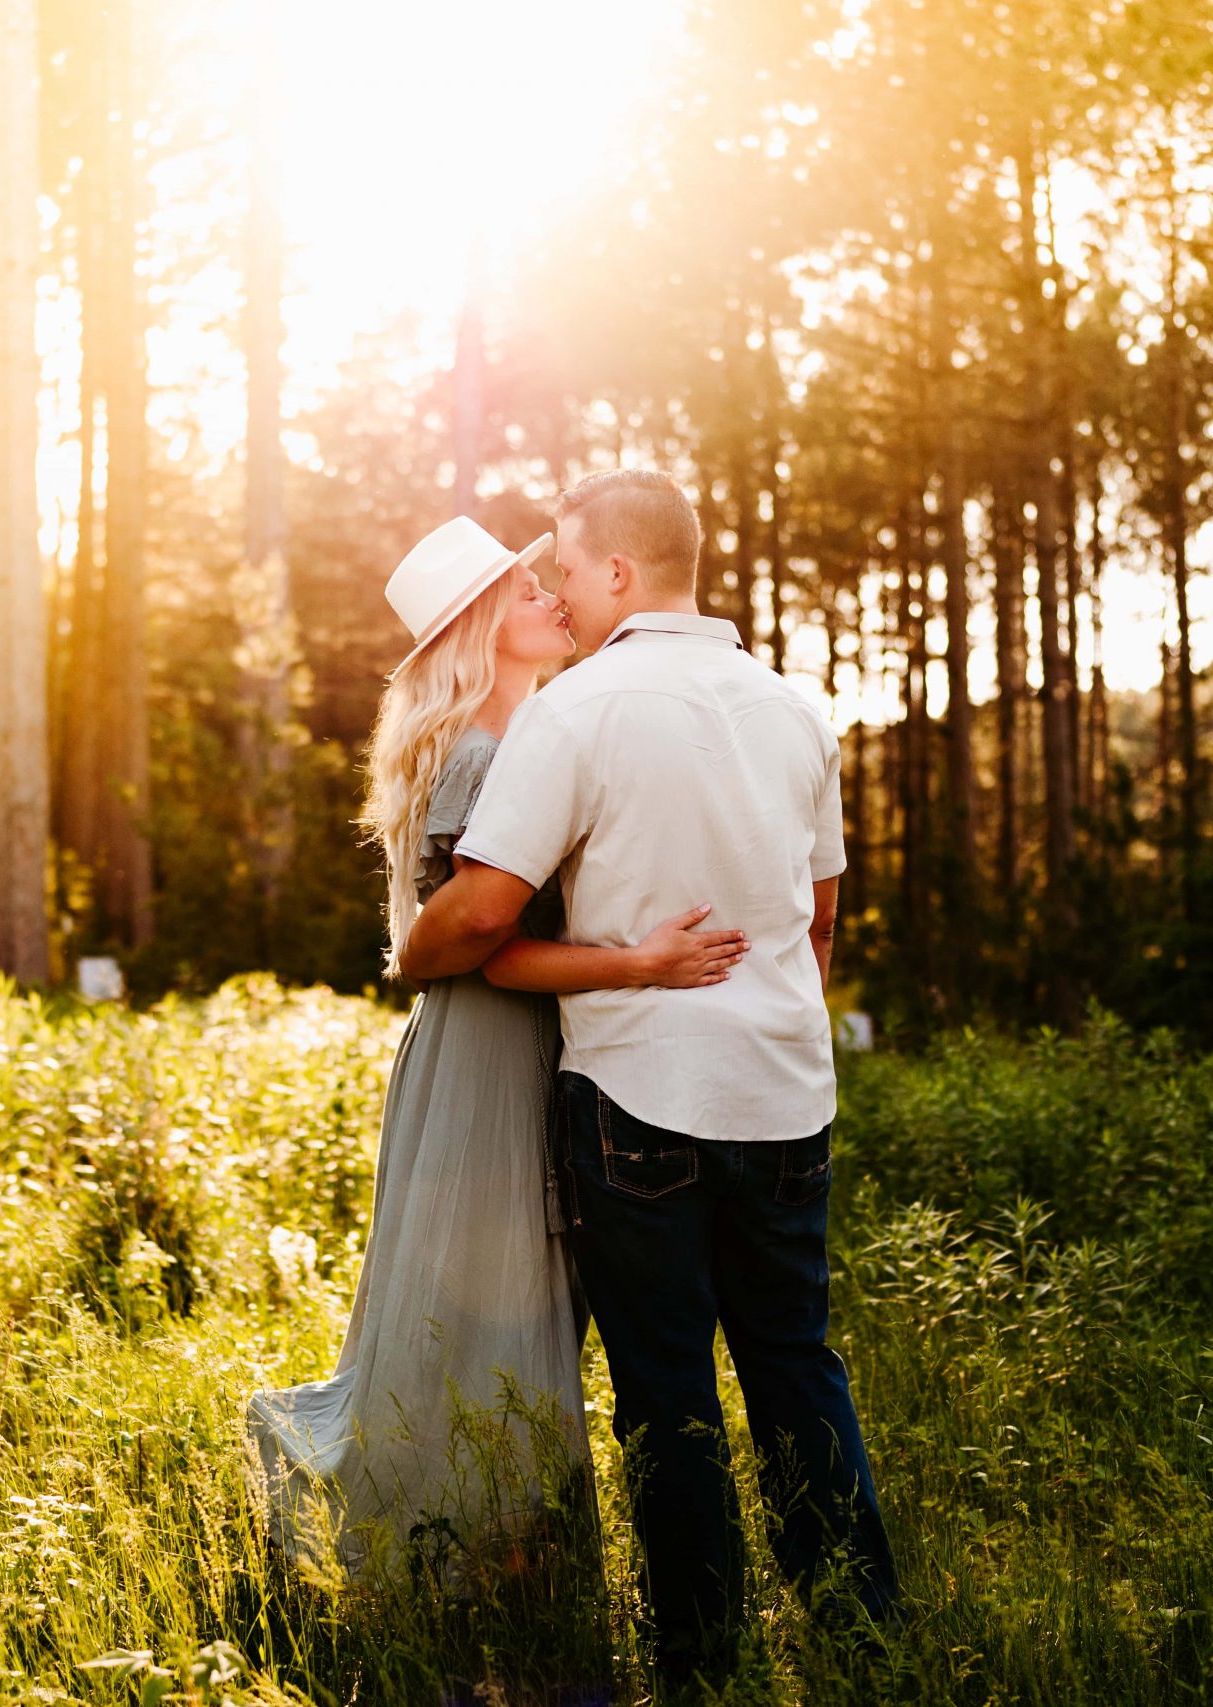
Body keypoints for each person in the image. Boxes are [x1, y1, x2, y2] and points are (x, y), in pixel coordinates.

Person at [400, 470, 901, 1687]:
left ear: (618, 572)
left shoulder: (577, 712)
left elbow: (476, 911)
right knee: (796, 1368)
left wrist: (418, 951)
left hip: (637, 1106)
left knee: (666, 1388)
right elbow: (819, 922)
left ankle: (700, 1667)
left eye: (566, 566)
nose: (560, 590)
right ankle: (864, 1643)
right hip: (788, 1097)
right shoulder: (793, 711)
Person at [246, 514, 750, 1585]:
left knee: (498, 1296)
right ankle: (474, 1557)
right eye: (528, 595)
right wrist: (640, 962)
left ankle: (490, 1545)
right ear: (480, 631)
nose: (554, 602)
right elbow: (481, 943)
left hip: (502, 1041)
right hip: (490, 1046)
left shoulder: (514, 737)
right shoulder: (483, 754)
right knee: (483, 1299)